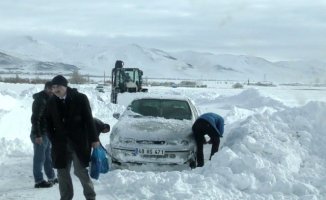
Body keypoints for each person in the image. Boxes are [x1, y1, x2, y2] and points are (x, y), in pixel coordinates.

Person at [46, 75, 100, 200]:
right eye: (53, 87)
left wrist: (94, 139)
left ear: (65, 86)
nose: (55, 90)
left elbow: (88, 120)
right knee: (62, 173)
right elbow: (47, 122)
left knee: (80, 171)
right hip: (60, 144)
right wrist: (53, 138)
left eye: (57, 87)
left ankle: (90, 197)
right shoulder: (51, 102)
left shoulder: (80, 98)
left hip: (79, 142)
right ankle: (65, 198)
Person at [30, 81, 57, 188]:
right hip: (40, 134)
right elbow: (35, 118)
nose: (52, 91)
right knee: (39, 159)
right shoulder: (40, 100)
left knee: (48, 158)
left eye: (53, 89)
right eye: (50, 89)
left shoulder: (48, 99)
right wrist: (37, 135)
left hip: (46, 133)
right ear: (46, 88)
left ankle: (51, 177)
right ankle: (38, 181)